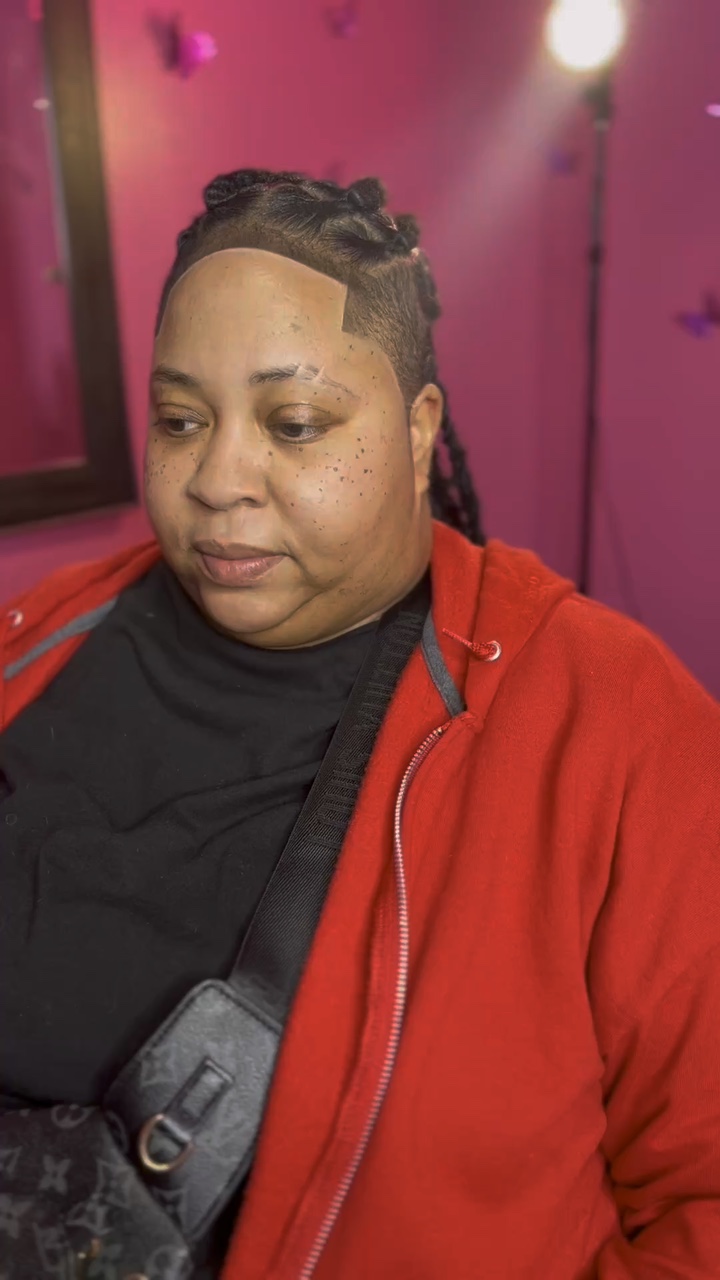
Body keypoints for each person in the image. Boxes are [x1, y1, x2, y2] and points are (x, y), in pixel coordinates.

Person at [1, 169, 719, 1280]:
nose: (218, 479)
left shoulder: (618, 728)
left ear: (419, 428)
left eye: (294, 423)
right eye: (181, 419)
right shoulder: (41, 634)